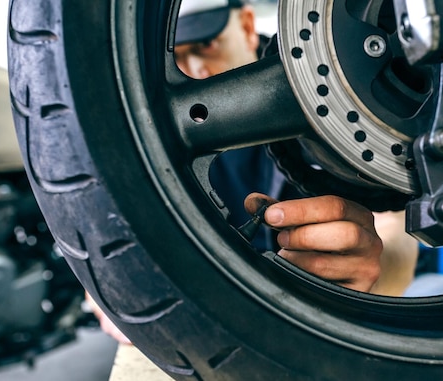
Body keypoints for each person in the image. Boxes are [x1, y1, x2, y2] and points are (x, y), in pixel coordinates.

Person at [89, 0, 418, 344]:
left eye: (207, 44)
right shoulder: (148, 134)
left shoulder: (342, 83)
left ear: (246, 26)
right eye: (176, 60)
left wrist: (371, 270)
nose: (196, 69)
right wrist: (116, 289)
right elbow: (104, 246)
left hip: (346, 325)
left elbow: (398, 234)